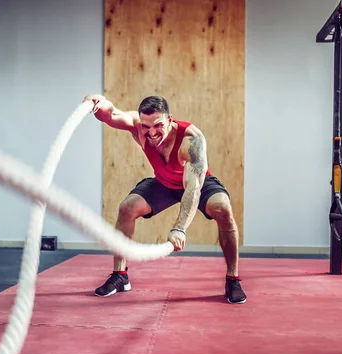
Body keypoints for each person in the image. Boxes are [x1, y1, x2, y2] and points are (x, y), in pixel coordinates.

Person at [84, 94, 247, 304]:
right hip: (164, 183)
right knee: (127, 208)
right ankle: (120, 276)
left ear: (170, 120)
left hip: (197, 184)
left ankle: (232, 279)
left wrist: (179, 228)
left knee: (223, 209)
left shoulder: (191, 140)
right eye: (146, 127)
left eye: (158, 125)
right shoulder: (138, 127)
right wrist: (97, 102)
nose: (151, 132)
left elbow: (193, 189)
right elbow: (111, 115)